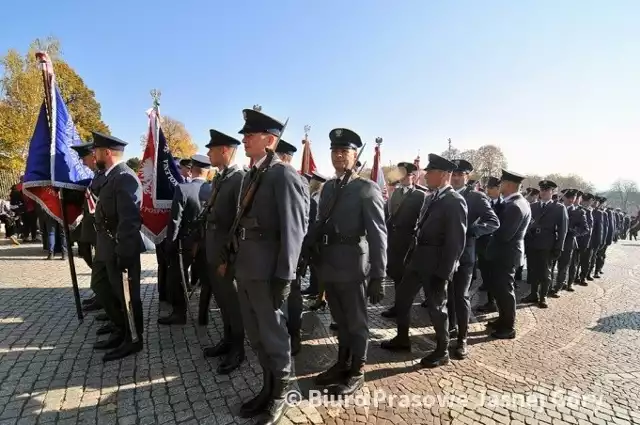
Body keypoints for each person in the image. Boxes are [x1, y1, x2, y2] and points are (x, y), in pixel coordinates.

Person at [233, 108, 309, 424]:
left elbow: (295, 228)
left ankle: (282, 394)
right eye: (245, 134)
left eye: (250, 134)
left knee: (275, 337)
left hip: (267, 273)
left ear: (270, 139)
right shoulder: (253, 174)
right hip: (247, 268)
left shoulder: (284, 174)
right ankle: (267, 387)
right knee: (256, 335)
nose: (245, 139)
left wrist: (285, 276)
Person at [311, 128, 387, 395]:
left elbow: (378, 233)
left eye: (345, 151)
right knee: (339, 319)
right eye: (335, 151)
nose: (339, 155)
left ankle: (357, 371)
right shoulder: (329, 187)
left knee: (356, 322)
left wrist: (378, 274)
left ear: (356, 156)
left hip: (354, 264)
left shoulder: (366, 188)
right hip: (330, 262)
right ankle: (342, 363)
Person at [381, 153, 467, 368]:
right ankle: (402, 339)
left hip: (436, 264)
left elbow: (456, 242)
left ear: (444, 175)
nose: (426, 175)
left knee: (437, 309)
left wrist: (445, 272)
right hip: (417, 259)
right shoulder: (431, 196)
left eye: (431, 172)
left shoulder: (455, 201)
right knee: (402, 298)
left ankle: (442, 350)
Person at [91, 132, 144, 362]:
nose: (94, 155)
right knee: (104, 288)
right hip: (107, 247)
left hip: (120, 249)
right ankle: (121, 329)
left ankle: (133, 339)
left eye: (97, 151)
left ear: (107, 153)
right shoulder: (110, 176)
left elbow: (130, 220)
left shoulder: (125, 177)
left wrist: (123, 252)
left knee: (127, 297)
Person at [201, 129, 246, 375]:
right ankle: (227, 340)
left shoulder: (239, 178)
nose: (208, 153)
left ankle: (238, 349)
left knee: (233, 302)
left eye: (212, 149)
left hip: (226, 254)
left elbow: (238, 222)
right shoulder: (220, 177)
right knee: (222, 301)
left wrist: (228, 257)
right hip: (213, 247)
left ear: (225, 151)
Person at [448, 159, 499, 358]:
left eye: (461, 174)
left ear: (467, 177)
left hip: (465, 256)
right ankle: (450, 328)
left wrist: (471, 231)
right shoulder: (445, 194)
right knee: (448, 295)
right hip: (445, 255)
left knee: (460, 296)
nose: (457, 177)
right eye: (454, 174)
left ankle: (462, 338)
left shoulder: (476, 197)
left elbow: (493, 221)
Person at [159, 154, 212, 325]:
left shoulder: (183, 189)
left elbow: (175, 220)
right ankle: (203, 316)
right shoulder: (214, 189)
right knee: (206, 279)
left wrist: (170, 244)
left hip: (185, 242)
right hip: (207, 241)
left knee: (177, 278)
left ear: (192, 169)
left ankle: (179, 313)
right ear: (207, 171)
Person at [485, 170, 531, 339]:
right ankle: (502, 319)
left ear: (509, 185)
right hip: (504, 253)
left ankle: (509, 326)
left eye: (502, 183)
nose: (500, 185)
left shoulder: (515, 206)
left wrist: (489, 229)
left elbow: (504, 234)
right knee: (499, 289)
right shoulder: (514, 203)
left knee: (505, 291)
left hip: (506, 254)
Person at [381, 162, 426, 319]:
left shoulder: (420, 195)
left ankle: (402, 309)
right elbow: (389, 216)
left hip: (408, 243)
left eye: (407, 175)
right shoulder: (395, 193)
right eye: (402, 175)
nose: (405, 178)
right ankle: (397, 306)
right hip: (394, 241)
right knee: (396, 275)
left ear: (413, 177)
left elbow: (423, 220)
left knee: (406, 279)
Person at [522, 180, 568, 308]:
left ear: (552, 192)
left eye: (546, 190)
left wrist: (559, 247)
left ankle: (543, 297)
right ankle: (533, 294)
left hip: (547, 245)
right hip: (532, 243)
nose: (543, 192)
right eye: (542, 190)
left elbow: (563, 230)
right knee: (532, 270)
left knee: (545, 273)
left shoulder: (559, 208)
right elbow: (526, 224)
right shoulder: (533, 206)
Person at [550, 189, 588, 295]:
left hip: (568, 243)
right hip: (553, 241)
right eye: (569, 198)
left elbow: (585, 229)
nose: (571, 200)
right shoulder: (556, 208)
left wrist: (572, 231)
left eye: (573, 198)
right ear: (564, 198)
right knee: (550, 266)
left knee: (563, 267)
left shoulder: (579, 212)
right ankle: (548, 287)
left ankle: (557, 288)